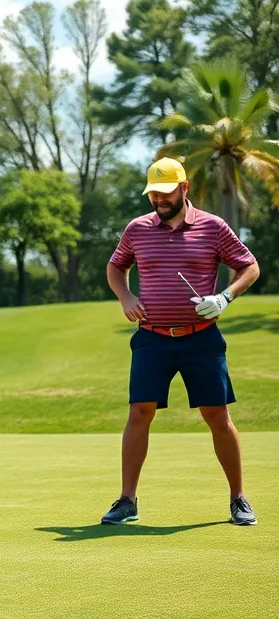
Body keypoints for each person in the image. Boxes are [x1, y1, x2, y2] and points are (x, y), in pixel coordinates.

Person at [103, 157, 261, 526]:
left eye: (166, 191)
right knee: (139, 413)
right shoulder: (138, 229)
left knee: (217, 416)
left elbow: (249, 265)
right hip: (151, 338)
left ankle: (238, 498)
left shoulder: (212, 227)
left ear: (184, 188)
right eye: (153, 193)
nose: (158, 199)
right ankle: (128, 500)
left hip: (201, 340)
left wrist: (224, 297)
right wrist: (126, 297)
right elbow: (116, 266)